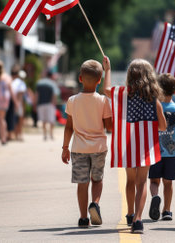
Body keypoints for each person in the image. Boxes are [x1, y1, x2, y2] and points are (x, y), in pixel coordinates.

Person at [103, 57, 167, 234]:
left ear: (130, 76)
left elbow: (106, 89)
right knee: (142, 183)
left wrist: (107, 69)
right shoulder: (154, 100)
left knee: (130, 181)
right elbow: (162, 127)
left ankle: (130, 213)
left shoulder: (122, 94)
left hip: (127, 147)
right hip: (146, 147)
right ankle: (138, 220)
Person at [61, 59, 112, 228]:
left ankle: (83, 218)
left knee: (82, 183)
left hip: (78, 149)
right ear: (100, 81)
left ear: (80, 78)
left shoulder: (72, 101)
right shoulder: (104, 101)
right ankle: (95, 204)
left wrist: (65, 148)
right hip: (98, 148)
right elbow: (109, 126)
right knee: (97, 180)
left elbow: (69, 127)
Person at [148, 73, 175, 221]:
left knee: (154, 181)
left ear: (157, 90)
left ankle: (155, 196)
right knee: (168, 183)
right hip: (172, 154)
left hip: (154, 153)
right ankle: (166, 210)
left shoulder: (153, 108)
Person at [35, 72, 60, 140]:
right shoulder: (52, 83)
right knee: (51, 120)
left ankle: (45, 135)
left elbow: (37, 94)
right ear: (51, 76)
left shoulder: (39, 83)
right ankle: (51, 134)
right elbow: (54, 94)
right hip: (50, 104)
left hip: (41, 103)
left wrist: (35, 104)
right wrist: (54, 103)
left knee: (44, 120)